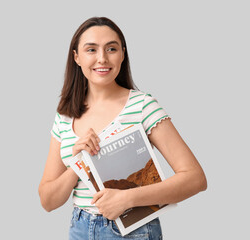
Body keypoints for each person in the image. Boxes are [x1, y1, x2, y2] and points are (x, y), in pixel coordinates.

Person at [38, 17, 207, 239]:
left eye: (111, 48)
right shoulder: (65, 115)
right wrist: (78, 165)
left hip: (133, 231)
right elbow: (48, 201)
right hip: (80, 229)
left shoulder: (142, 106)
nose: (102, 58)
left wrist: (128, 199)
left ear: (123, 54)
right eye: (91, 49)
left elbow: (195, 179)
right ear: (76, 57)